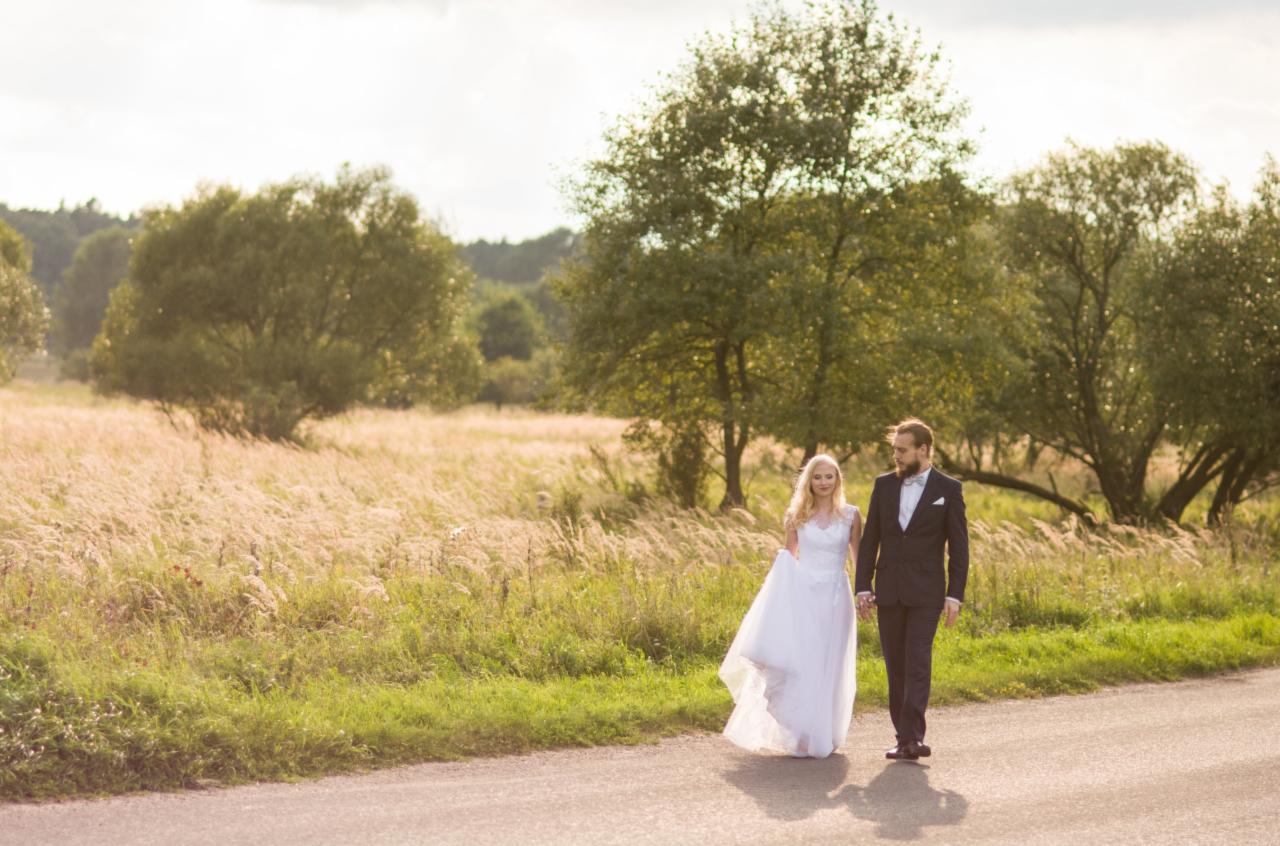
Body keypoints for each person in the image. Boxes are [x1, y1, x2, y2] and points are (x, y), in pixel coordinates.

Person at [719, 454, 860, 758]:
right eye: (817, 477)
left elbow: (857, 560)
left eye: (829, 477)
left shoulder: (851, 516)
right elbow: (788, 558)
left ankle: (827, 732)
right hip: (803, 597)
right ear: (808, 481)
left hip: (837, 598)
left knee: (830, 664)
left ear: (838, 480)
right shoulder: (797, 516)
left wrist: (866, 593)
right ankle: (802, 732)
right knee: (803, 663)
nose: (823, 483)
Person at [855, 418, 969, 761]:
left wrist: (954, 595)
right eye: (894, 451)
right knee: (896, 666)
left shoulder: (949, 489)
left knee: (917, 661)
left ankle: (912, 738)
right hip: (888, 590)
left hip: (927, 592)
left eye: (903, 450)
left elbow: (959, 547)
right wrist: (862, 587)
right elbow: (870, 539)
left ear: (923, 450)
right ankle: (902, 736)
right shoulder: (883, 485)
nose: (897, 457)